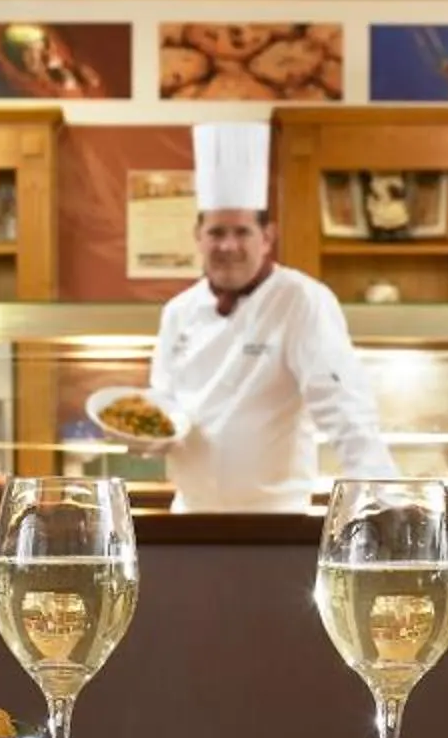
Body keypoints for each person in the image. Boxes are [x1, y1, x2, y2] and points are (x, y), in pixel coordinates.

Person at [150, 124, 395, 514]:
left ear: (267, 237)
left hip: (276, 520)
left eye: (242, 232)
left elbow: (344, 408)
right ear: (197, 236)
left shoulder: (300, 299)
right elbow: (161, 406)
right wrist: (148, 436)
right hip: (190, 517)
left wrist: (386, 503)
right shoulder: (178, 311)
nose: (228, 245)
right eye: (216, 232)